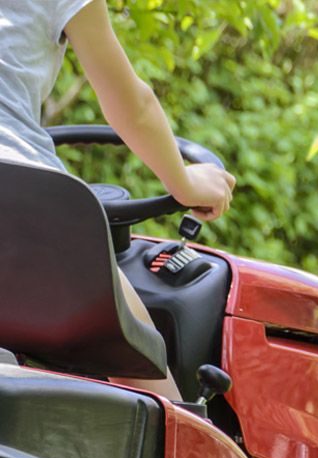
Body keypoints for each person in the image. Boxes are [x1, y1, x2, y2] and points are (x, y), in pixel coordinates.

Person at [0, 1, 237, 400]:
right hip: (21, 202)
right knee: (137, 352)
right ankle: (180, 429)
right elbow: (133, 106)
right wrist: (185, 184)